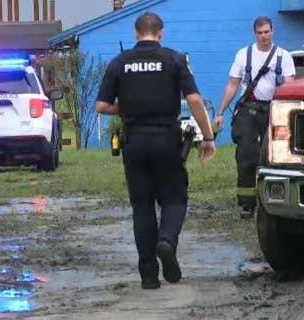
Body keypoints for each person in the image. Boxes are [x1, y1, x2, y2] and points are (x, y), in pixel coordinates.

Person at [95, 12, 215, 290]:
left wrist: (128, 107)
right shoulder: (175, 60)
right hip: (166, 139)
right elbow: (195, 100)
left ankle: (148, 276)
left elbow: (101, 107)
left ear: (137, 33)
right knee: (174, 199)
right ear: (160, 33)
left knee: (142, 207)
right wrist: (207, 137)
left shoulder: (119, 63)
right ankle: (167, 241)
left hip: (134, 142)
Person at [214, 16, 295, 219]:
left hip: (274, 111)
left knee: (278, 156)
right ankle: (247, 203)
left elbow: (290, 85)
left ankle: (279, 199)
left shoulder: (283, 56)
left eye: (267, 32)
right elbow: (233, 84)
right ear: (255, 34)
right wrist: (220, 112)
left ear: (272, 31)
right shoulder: (244, 55)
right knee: (246, 156)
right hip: (249, 111)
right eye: (260, 33)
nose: (263, 36)